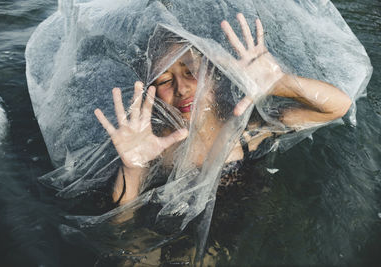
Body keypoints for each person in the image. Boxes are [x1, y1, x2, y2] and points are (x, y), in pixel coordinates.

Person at [94, 13, 352, 206]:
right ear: (151, 91)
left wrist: (282, 84)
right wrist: (132, 168)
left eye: (190, 72)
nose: (181, 88)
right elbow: (121, 224)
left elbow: (337, 107)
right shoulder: (152, 146)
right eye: (164, 80)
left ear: (214, 75)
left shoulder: (248, 129)